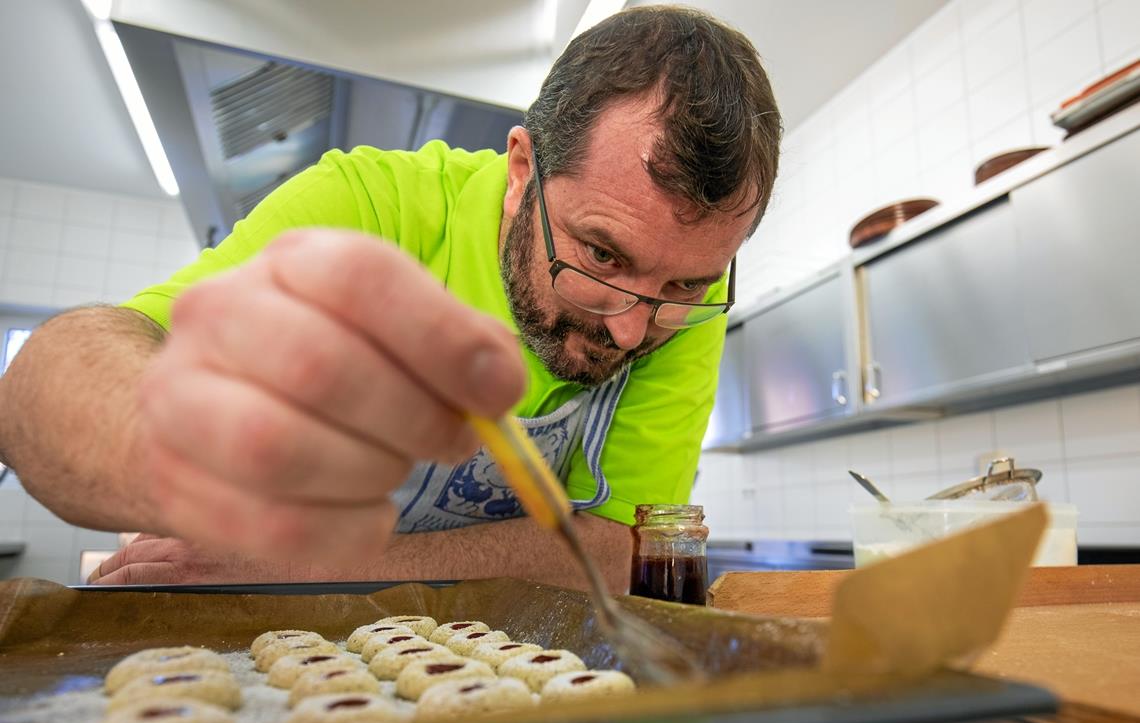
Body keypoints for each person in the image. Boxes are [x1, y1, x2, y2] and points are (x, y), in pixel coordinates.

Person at [0, 6, 781, 591]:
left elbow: (615, 552)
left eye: (683, 285)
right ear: (522, 173)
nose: (635, 324)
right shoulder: (371, 208)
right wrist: (186, 461)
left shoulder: (684, 305)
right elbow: (54, 386)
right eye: (601, 253)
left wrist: (305, 562)